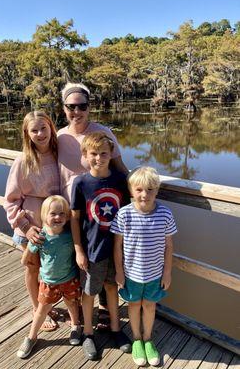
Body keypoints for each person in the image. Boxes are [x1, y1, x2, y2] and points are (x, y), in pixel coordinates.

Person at [58, 82, 128, 330]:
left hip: (104, 216)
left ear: (89, 107)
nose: (76, 111)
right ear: (64, 107)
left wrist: (141, 195)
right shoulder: (59, 136)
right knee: (80, 265)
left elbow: (121, 169)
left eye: (82, 106)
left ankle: (106, 317)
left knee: (105, 271)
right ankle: (81, 322)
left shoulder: (103, 133)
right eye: (71, 106)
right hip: (71, 213)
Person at [70, 132, 132, 361]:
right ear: (85, 155)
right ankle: (88, 332)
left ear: (111, 154)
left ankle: (116, 329)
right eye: (93, 154)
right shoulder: (81, 183)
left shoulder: (119, 180)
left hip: (115, 248)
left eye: (104, 153)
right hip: (91, 250)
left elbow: (128, 212)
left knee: (112, 288)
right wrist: (78, 249)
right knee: (88, 293)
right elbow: (75, 218)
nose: (99, 158)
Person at [111, 166, 177, 366]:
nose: (144, 194)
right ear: (131, 191)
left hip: (155, 274)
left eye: (150, 189)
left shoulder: (165, 214)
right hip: (131, 274)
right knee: (134, 305)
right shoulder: (124, 214)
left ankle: (148, 339)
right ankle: (137, 339)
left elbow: (169, 246)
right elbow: (117, 246)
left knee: (149, 306)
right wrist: (119, 272)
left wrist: (167, 273)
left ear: (157, 191)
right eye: (139, 189)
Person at [4, 111, 60, 331]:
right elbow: (10, 200)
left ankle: (47, 302)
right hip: (33, 224)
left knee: (52, 268)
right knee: (33, 267)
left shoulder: (59, 154)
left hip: (56, 223)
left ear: (51, 128)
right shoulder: (23, 161)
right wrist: (25, 227)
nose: (40, 134)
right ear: (27, 133)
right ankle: (37, 307)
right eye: (34, 130)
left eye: (43, 128)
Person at [17, 195, 81, 358]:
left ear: (67, 217)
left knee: (72, 304)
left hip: (69, 279)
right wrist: (28, 253)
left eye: (62, 214)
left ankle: (75, 326)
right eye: (53, 214)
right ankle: (31, 337)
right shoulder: (40, 237)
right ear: (44, 216)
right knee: (41, 310)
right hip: (48, 283)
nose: (58, 217)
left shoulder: (70, 235)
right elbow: (25, 259)